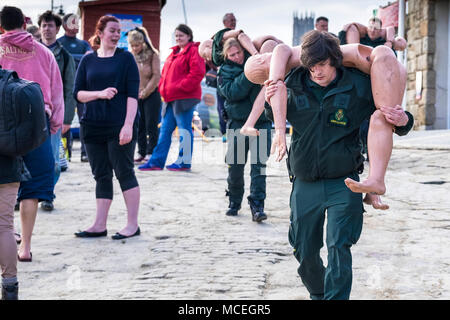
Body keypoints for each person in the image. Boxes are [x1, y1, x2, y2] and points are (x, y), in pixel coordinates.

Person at [266, 30, 409, 299]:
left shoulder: (358, 86)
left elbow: (390, 115)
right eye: (311, 67)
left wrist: (404, 121)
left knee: (338, 247)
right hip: (304, 182)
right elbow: (272, 108)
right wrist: (271, 99)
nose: (316, 72)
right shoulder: (294, 82)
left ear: (335, 61)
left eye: (321, 65)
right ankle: (320, 294)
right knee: (303, 250)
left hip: (344, 182)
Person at [0, 6, 64, 262]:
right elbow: (57, 91)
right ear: (25, 25)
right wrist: (56, 123)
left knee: (3, 184)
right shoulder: (44, 52)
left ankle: (6, 236)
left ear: (2, 26)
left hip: (2, 126)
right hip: (37, 125)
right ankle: (25, 247)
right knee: (34, 186)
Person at [73, 15, 141, 240]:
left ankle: (132, 224)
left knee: (124, 172)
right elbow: (78, 95)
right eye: (112, 30)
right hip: (91, 126)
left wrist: (128, 126)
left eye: (118, 31)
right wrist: (99, 94)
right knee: (101, 175)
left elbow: (132, 96)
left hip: (118, 125)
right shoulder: (87, 60)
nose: (116, 34)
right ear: (100, 32)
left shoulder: (126, 59)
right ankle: (99, 224)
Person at [217, 38, 272, 222]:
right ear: (226, 55)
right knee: (235, 166)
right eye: (232, 55)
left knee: (259, 167)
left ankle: (257, 205)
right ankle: (234, 200)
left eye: (239, 52)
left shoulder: (257, 62)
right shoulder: (224, 71)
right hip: (238, 124)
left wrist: (253, 67)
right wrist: (250, 74)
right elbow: (232, 92)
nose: (237, 57)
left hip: (262, 122)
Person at [138, 24, 205, 172]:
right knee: (165, 130)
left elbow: (197, 73)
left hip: (184, 98)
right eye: (176, 36)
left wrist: (179, 87)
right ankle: (156, 162)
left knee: (184, 130)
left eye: (181, 35)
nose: (178, 38)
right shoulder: (174, 53)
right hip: (170, 99)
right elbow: (165, 74)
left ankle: (184, 162)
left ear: (189, 36)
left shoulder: (194, 51)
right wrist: (163, 87)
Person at [38, 10, 77, 212]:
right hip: (32, 112)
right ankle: (23, 195)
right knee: (23, 157)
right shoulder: (30, 51)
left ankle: (47, 195)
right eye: (44, 25)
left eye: (50, 25)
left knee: (53, 159)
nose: (47, 29)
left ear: (57, 28)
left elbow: (70, 88)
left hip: (54, 113)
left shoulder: (65, 56)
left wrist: (67, 118)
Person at [58, 13, 92, 163]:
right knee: (63, 120)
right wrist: (78, 57)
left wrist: (71, 57)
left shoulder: (84, 44)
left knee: (85, 119)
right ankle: (66, 153)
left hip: (82, 87)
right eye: (72, 22)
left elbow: (90, 59)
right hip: (63, 87)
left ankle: (85, 153)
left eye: (77, 22)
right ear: (65, 25)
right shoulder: (59, 43)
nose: (76, 25)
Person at [127, 27, 162, 163]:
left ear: (143, 43)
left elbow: (156, 75)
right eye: (132, 45)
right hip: (136, 95)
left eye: (137, 45)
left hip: (151, 94)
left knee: (151, 124)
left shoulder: (153, 55)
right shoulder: (130, 56)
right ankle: (141, 151)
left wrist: (145, 91)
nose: (135, 48)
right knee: (139, 125)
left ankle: (151, 150)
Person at [339, 17, 406, 51]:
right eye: (370, 27)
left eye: (376, 28)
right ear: (367, 28)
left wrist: (389, 42)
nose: (372, 30)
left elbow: (390, 29)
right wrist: (344, 30)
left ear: (380, 30)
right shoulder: (361, 36)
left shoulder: (385, 40)